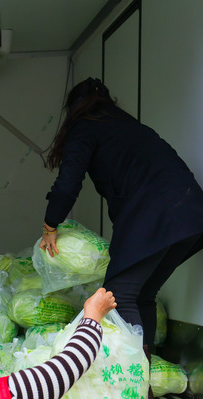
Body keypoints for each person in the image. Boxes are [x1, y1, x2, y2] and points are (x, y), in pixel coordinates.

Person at [41, 77, 203, 381]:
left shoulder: (84, 126)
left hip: (156, 214)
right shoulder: (127, 125)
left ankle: (136, 386)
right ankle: (143, 386)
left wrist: (51, 224)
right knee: (142, 294)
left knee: (119, 295)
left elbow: (67, 184)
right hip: (191, 214)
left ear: (74, 108)